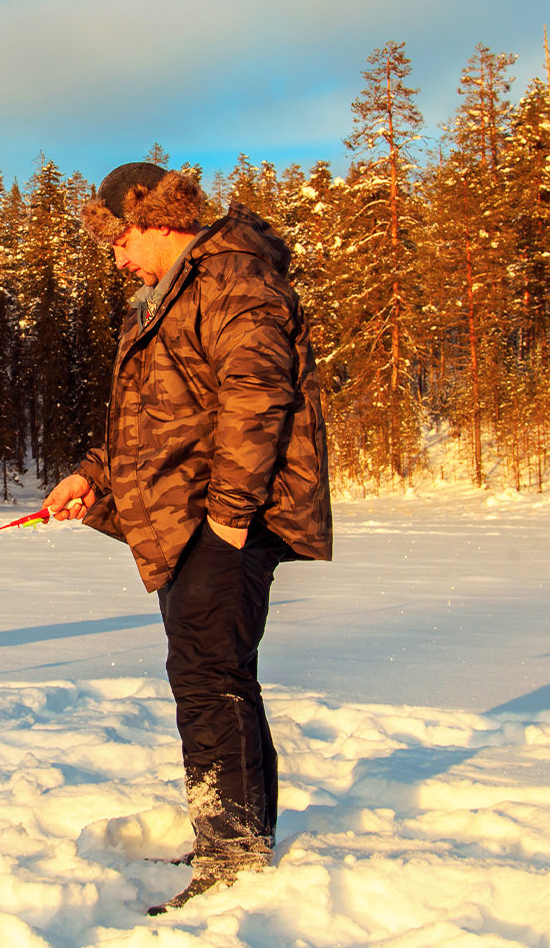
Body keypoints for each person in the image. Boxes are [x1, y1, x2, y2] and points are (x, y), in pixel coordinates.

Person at [44, 161, 331, 915]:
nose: (116, 256)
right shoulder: (169, 295)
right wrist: (93, 478)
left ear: (157, 220)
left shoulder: (234, 279)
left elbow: (255, 396)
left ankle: (233, 854)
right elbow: (161, 417)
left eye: (119, 238)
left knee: (211, 679)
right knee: (209, 676)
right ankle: (228, 837)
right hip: (188, 513)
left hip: (223, 514)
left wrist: (231, 513)